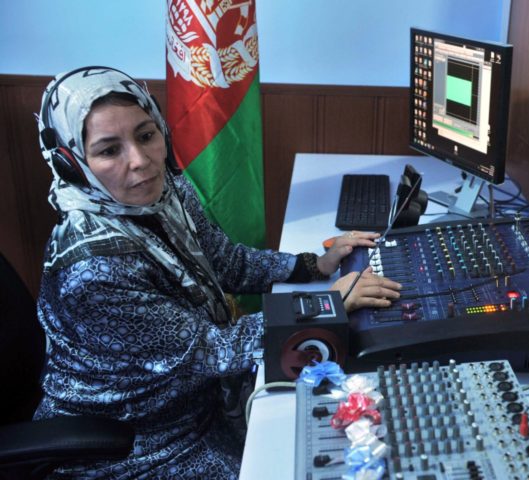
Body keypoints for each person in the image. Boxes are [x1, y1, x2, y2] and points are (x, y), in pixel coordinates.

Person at [34, 66, 402, 479]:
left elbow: (227, 262)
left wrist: (313, 265)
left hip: (198, 404)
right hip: (134, 444)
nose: (140, 161)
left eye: (145, 135)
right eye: (108, 150)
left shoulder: (163, 191)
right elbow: (211, 350)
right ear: (70, 163)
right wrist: (325, 303)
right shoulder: (92, 271)